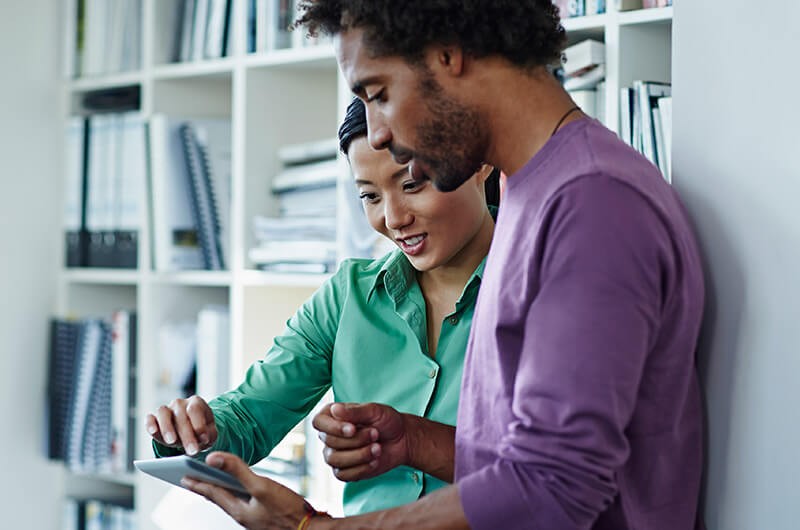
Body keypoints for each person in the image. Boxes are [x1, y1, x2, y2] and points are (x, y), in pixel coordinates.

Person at [179, 2, 706, 530]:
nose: (380, 134)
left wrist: (314, 529)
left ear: (448, 55)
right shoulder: (530, 190)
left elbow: (552, 487)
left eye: (379, 94)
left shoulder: (592, 203)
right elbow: (520, 461)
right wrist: (415, 442)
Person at [145, 97, 498, 516]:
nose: (393, 218)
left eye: (411, 184)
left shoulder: (544, 289)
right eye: (369, 196)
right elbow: (250, 417)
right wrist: (194, 432)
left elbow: (558, 470)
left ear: (479, 163)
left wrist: (418, 442)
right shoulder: (347, 296)